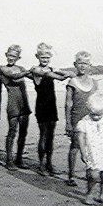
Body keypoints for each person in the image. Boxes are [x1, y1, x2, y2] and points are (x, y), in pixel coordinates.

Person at [31, 42, 75, 176]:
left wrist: (67, 72)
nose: (44, 60)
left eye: (47, 57)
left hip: (51, 104)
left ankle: (49, 163)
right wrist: (67, 74)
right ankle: (41, 165)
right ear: (37, 56)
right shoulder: (36, 69)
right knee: (43, 134)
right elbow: (58, 77)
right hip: (41, 105)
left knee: (51, 135)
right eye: (42, 57)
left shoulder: (50, 68)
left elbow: (59, 72)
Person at [76, 92, 103, 205]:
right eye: (93, 114)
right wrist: (82, 151)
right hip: (93, 151)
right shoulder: (84, 122)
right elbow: (81, 138)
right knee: (93, 176)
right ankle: (90, 194)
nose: (96, 117)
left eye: (99, 114)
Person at [65, 51, 98, 186]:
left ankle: (88, 172)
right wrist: (68, 123)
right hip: (76, 118)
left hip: (91, 119)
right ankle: (71, 175)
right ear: (75, 65)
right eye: (80, 63)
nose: (83, 66)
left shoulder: (94, 83)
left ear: (90, 65)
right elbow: (68, 104)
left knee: (91, 146)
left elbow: (97, 102)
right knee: (75, 146)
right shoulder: (72, 82)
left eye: (85, 63)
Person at [0, 45, 32, 171]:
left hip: (24, 103)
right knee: (12, 131)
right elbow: (14, 76)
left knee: (23, 132)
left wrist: (43, 72)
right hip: (13, 104)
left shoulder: (21, 68)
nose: (11, 58)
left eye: (14, 56)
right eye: (9, 55)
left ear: (19, 57)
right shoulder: (3, 69)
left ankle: (19, 158)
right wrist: (30, 71)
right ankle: (9, 160)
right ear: (6, 54)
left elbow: (34, 78)